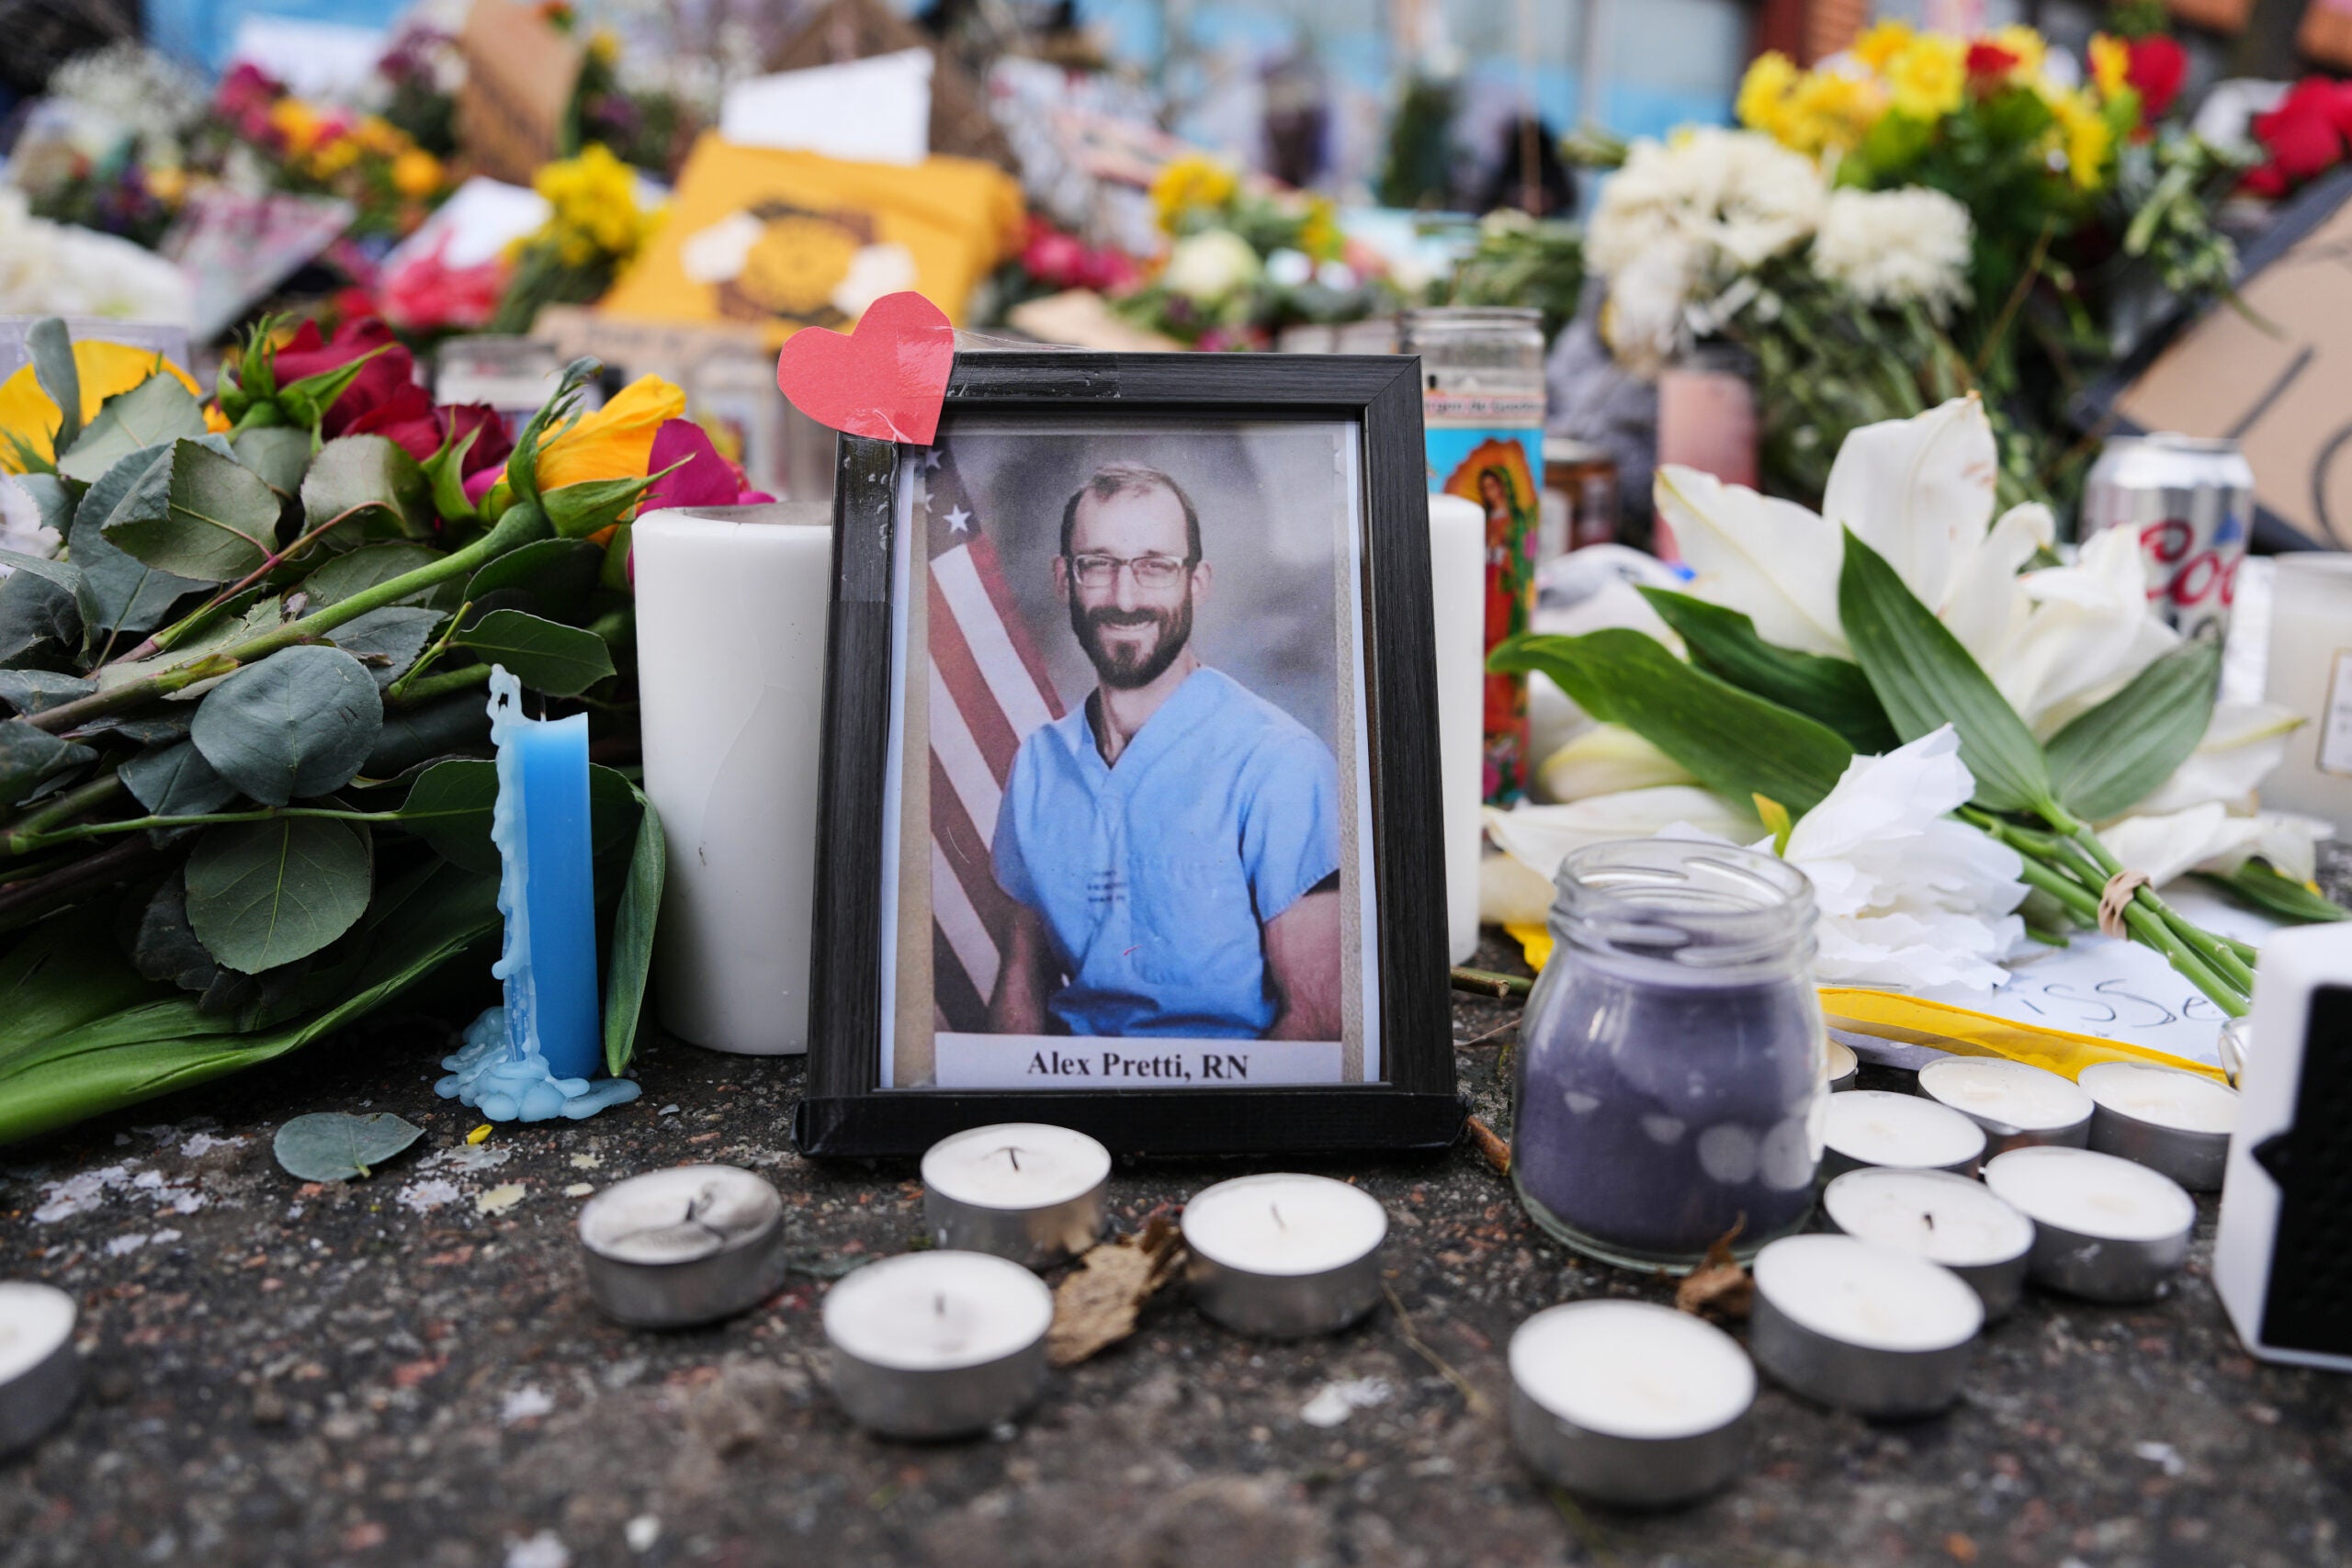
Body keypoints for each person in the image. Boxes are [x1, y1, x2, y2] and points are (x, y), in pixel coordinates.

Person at [988, 461, 1343, 1042]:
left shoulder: (1279, 763)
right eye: (1097, 565)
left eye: (1155, 567)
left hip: (1227, 1106)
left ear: (1196, 582)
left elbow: (1319, 1018)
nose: (1124, 598)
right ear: (1063, 579)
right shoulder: (1037, 765)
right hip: (1071, 1098)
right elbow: (1021, 986)